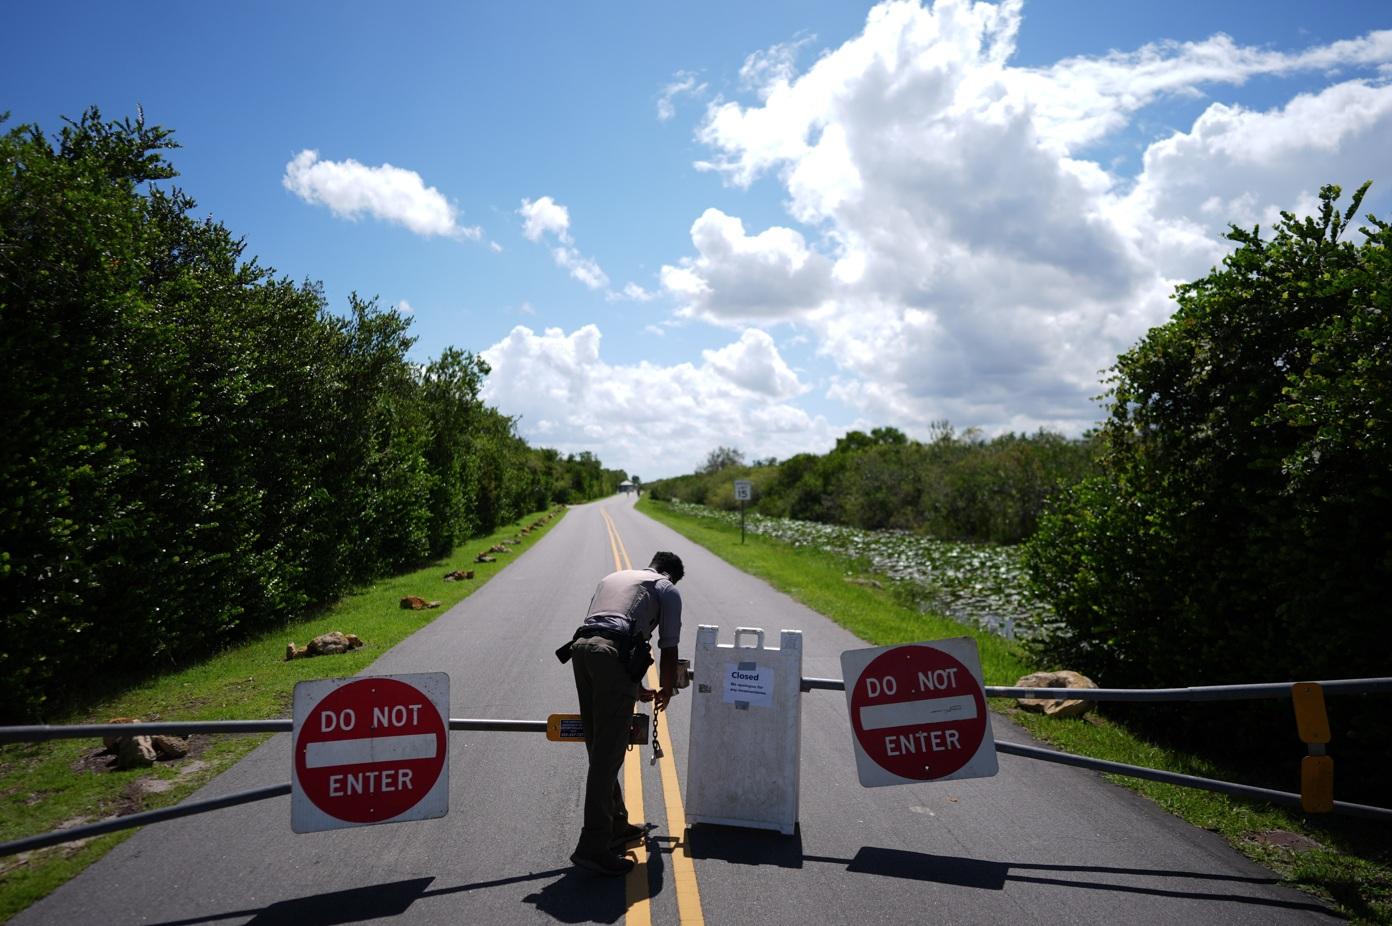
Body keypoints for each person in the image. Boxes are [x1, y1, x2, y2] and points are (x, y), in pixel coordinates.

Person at [562, 551, 684, 876]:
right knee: (608, 754)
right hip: (611, 658)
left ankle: (616, 824)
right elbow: (668, 648)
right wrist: (667, 689)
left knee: (598, 745)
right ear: (671, 574)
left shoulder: (612, 578)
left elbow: (609, 631)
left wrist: (636, 684)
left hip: (582, 651)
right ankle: (593, 846)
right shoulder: (666, 588)